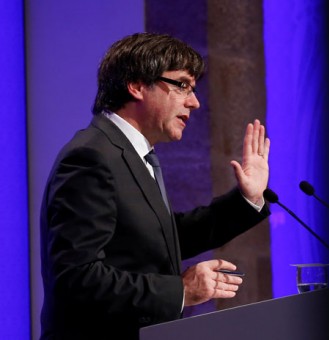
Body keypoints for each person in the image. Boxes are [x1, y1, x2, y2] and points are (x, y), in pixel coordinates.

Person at [40, 32, 271, 340]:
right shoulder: (91, 156)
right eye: (182, 85)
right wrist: (182, 290)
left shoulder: (128, 153)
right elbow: (76, 278)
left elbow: (163, 238)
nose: (195, 102)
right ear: (136, 85)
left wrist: (247, 199)